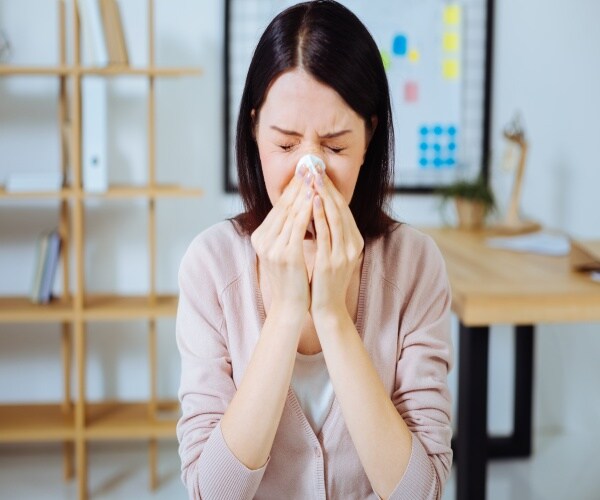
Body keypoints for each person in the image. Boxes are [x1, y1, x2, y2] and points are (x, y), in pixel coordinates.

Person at [176, 1, 453, 498]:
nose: (310, 173)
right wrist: (284, 314)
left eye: (336, 146)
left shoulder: (415, 265)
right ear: (255, 129)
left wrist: (331, 314)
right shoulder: (210, 266)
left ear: (369, 137)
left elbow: (423, 491)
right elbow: (210, 491)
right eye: (285, 145)